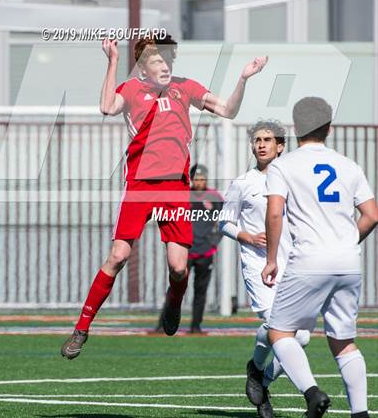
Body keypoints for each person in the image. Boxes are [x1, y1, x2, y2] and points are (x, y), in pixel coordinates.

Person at [61, 31, 268, 359]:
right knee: (117, 256)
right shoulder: (131, 89)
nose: (165, 64)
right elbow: (105, 107)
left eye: (168, 59)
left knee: (178, 268)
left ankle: (174, 304)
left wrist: (243, 78)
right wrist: (113, 60)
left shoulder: (185, 87)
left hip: (174, 187)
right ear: (143, 67)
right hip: (140, 187)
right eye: (158, 60)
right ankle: (82, 328)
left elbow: (227, 109)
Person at [262, 97, 378, 418]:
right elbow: (371, 214)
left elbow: (274, 213)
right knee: (343, 342)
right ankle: (361, 414)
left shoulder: (283, 166)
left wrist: (271, 259)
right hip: (348, 261)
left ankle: (313, 394)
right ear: (329, 128)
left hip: (309, 259)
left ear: (295, 128)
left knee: (280, 332)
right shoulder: (348, 165)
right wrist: (344, 242)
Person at [220, 119, 310, 418]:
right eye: (257, 140)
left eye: (267, 140)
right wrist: (245, 235)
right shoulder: (243, 183)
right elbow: (224, 222)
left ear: (280, 146)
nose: (261, 144)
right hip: (259, 265)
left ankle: (261, 377)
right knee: (277, 325)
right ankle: (258, 370)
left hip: (292, 265)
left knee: (302, 338)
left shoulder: (295, 180)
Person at [155, 163, 223, 334]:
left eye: (203, 179)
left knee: (200, 291)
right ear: (192, 180)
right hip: (185, 251)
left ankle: (195, 326)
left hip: (205, 251)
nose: (199, 182)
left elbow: (223, 220)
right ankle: (163, 324)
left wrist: (214, 241)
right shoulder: (184, 195)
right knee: (175, 287)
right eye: (196, 179)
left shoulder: (214, 196)